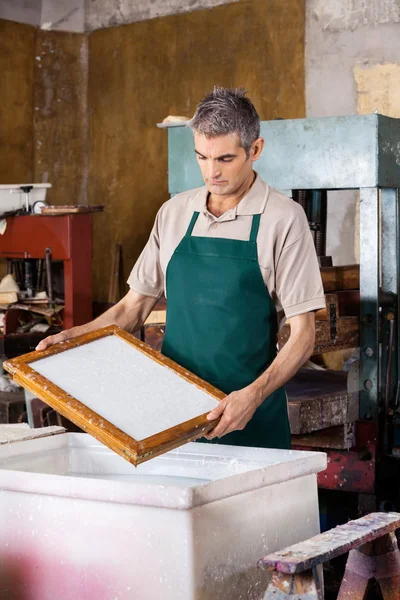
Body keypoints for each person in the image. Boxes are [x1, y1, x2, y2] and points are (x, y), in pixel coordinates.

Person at [37, 87, 325, 449]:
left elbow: (304, 334)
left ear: (256, 150)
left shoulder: (283, 218)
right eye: (201, 157)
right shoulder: (174, 213)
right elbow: (133, 308)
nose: (211, 172)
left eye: (224, 159)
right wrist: (76, 336)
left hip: (248, 419)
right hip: (173, 417)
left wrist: (251, 397)